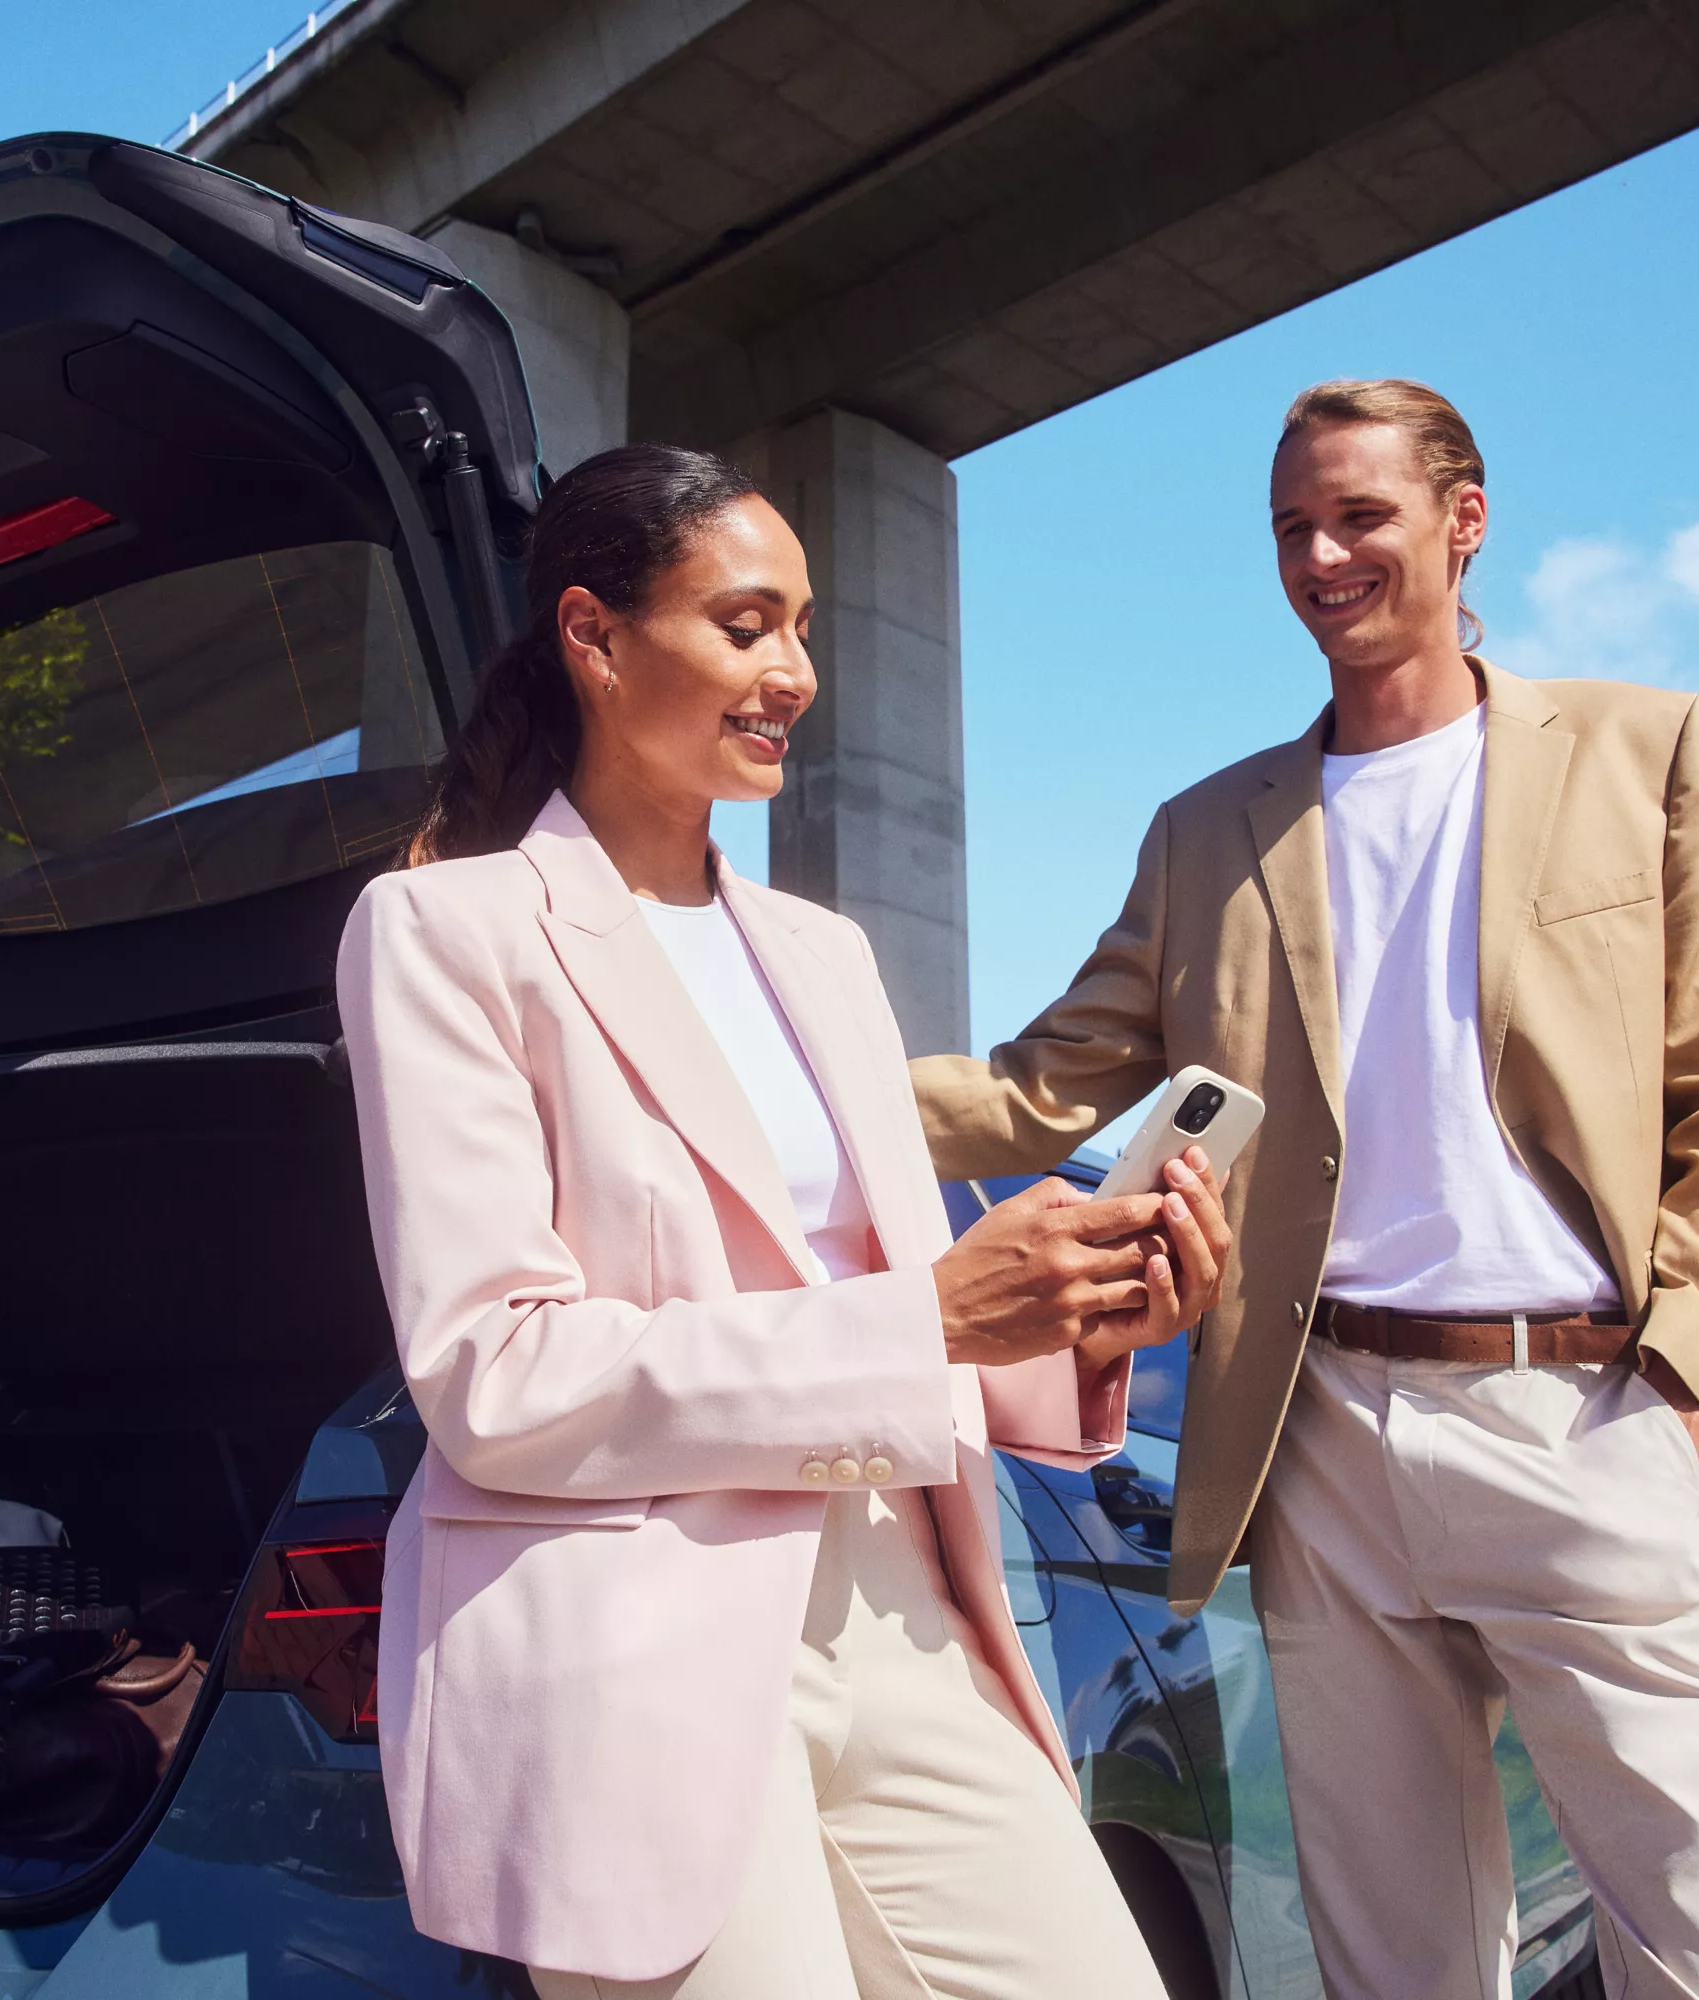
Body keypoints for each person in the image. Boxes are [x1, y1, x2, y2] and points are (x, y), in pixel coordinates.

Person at [911, 380, 1699, 1999]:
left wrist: (1686, 1394)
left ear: (1461, 519)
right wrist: (764, 1071)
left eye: (1361, 515)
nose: (1323, 555)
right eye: (1293, 527)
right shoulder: (1210, 830)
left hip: (1587, 1418)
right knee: (1390, 1966)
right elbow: (1038, 1086)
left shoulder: (1649, 752)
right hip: (1322, 1440)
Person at [336, 444, 1233, 1999]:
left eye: (804, 627)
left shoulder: (824, 955)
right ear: (595, 637)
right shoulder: (441, 933)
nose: (796, 672)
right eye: (747, 626)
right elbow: (497, 1375)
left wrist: (1081, 1328)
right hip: (627, 1632)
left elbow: (891, 1315)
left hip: (901, 1599)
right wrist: (935, 1316)